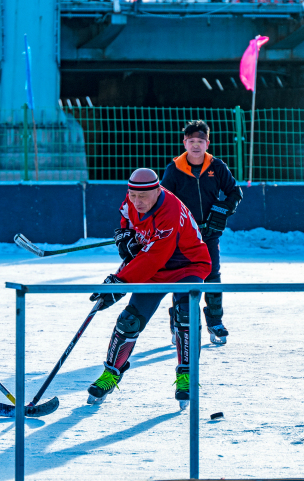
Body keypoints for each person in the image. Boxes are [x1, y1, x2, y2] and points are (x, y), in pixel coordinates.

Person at [87, 168, 212, 408]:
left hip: (187, 265)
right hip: (155, 267)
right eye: (133, 195)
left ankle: (187, 375)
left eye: (143, 197)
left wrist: (120, 282)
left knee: (186, 314)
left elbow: (154, 257)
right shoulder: (133, 198)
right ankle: (111, 373)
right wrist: (125, 236)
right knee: (129, 320)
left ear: (157, 190)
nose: (137, 201)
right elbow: (127, 216)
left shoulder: (171, 213)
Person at [161, 120, 243, 345]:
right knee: (182, 276)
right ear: (184, 142)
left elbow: (234, 192)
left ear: (208, 143)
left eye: (200, 141)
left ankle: (215, 321)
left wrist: (223, 210)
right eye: (191, 141)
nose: (195, 145)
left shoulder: (217, 167)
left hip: (210, 234)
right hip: (183, 237)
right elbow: (164, 200)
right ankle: (179, 319)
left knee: (213, 275)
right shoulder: (174, 170)